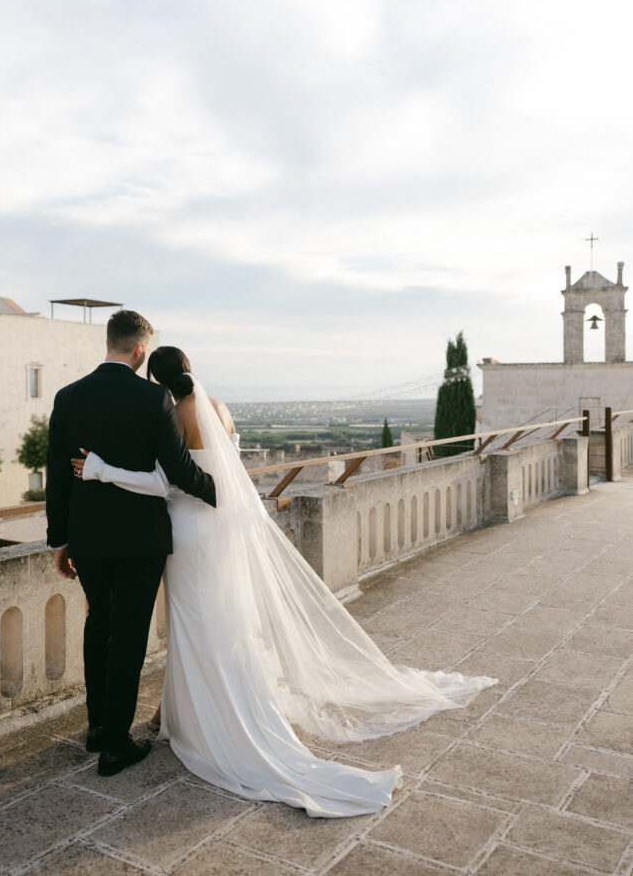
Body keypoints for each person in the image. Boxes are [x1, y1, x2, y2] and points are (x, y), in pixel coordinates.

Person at [72, 346, 497, 817]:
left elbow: (167, 479)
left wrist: (101, 470)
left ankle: (199, 719)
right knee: (223, 618)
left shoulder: (169, 414)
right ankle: (188, 711)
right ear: (190, 371)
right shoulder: (218, 409)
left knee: (194, 624)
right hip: (221, 528)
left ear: (156, 380)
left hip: (188, 531)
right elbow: (227, 473)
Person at [46, 312, 216, 778]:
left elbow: (57, 476)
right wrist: (224, 495)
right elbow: (179, 472)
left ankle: (98, 728)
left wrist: (59, 540)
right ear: (141, 350)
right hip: (141, 539)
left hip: (87, 538)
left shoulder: (68, 396)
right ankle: (116, 745)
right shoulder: (154, 396)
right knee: (129, 634)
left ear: (110, 342)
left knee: (98, 621)